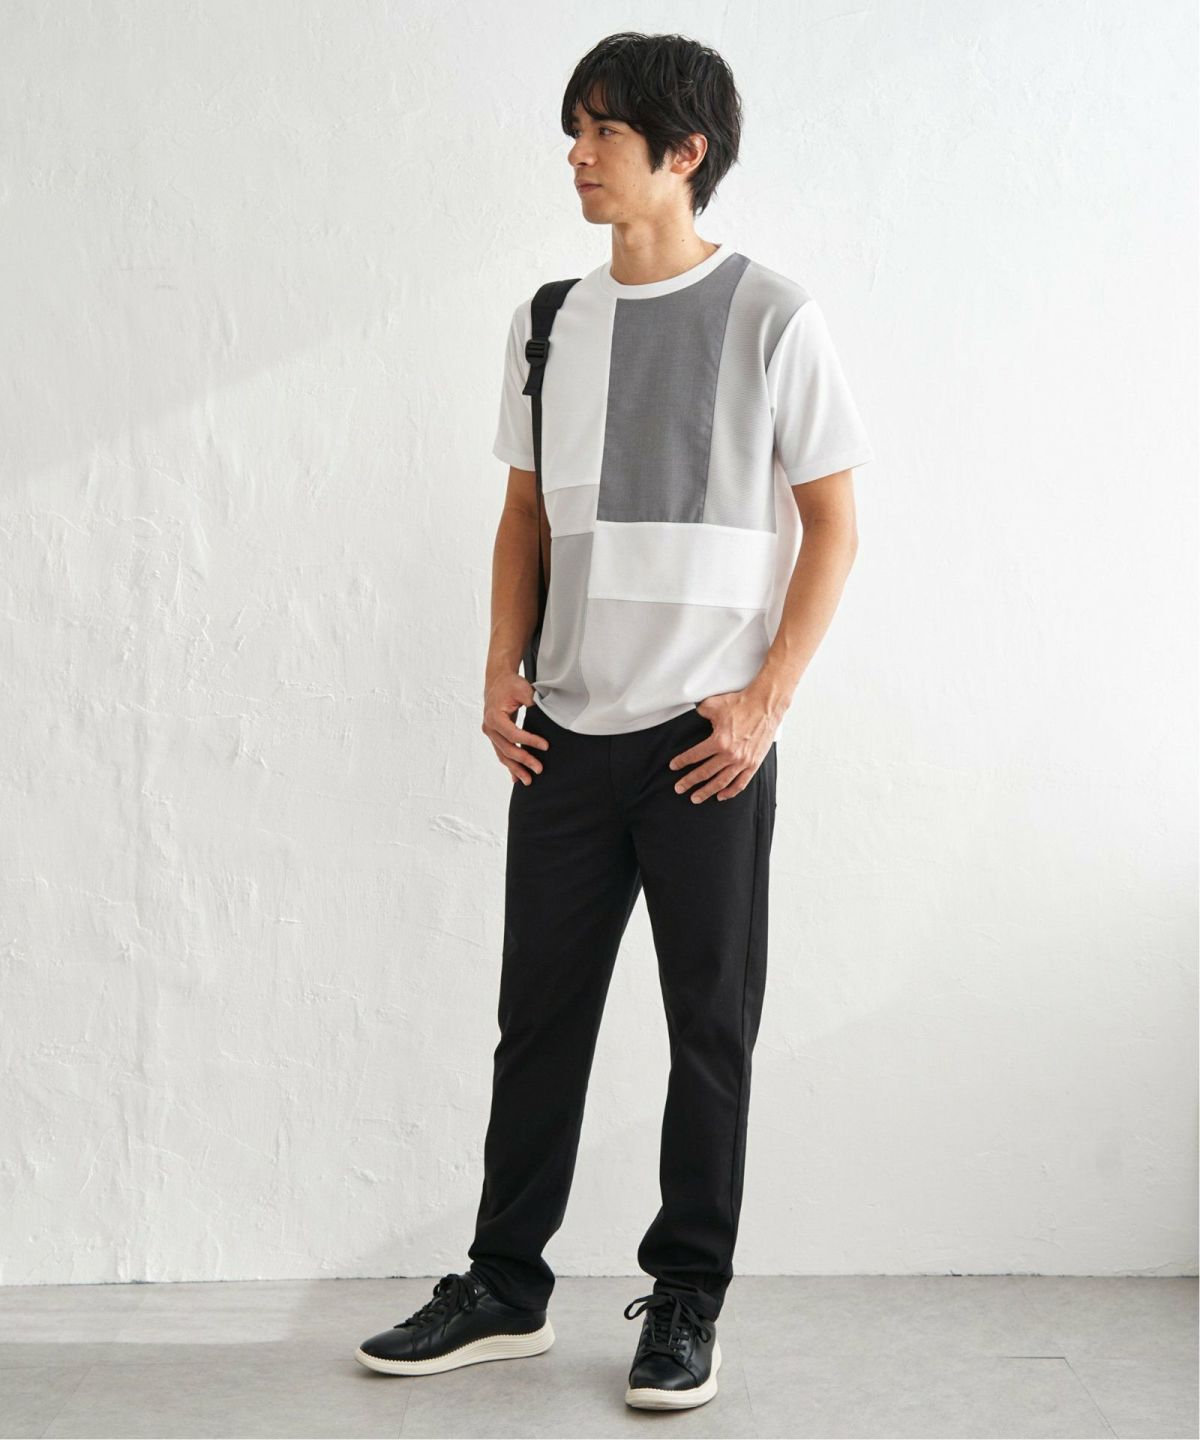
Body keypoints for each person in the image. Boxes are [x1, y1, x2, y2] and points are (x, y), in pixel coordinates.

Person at [356, 30, 875, 1411]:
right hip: (567, 738)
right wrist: (499, 666)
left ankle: (686, 1300)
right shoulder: (548, 321)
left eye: (602, 132)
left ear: (684, 152)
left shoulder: (774, 316)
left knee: (710, 1030)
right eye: (574, 131)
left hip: (708, 747)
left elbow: (833, 524)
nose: (577, 156)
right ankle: (504, 1288)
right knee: (537, 1023)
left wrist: (765, 702)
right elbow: (523, 515)